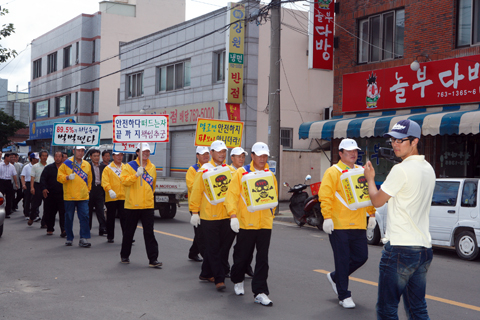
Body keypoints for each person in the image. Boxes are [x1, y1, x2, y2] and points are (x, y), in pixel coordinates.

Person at [364, 119, 435, 319]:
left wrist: (370, 178)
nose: (395, 144)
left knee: (387, 309)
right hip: (423, 248)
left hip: (400, 249)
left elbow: (377, 201)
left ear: (414, 141)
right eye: (392, 140)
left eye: (400, 140)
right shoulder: (428, 168)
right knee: (417, 308)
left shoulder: (400, 170)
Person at [318, 138, 375, 309]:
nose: (353, 154)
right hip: (339, 224)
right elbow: (325, 196)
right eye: (349, 151)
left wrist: (371, 214)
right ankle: (344, 295)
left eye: (355, 151)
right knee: (342, 260)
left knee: (361, 257)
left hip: (358, 223)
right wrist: (327, 217)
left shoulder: (362, 170)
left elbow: (367, 193)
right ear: (340, 153)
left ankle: (336, 276)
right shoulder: (333, 172)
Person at [225, 142, 278, 306]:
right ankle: (237, 279)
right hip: (246, 223)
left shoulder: (270, 174)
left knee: (263, 259)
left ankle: (260, 292)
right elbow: (231, 196)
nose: (262, 159)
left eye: (265, 156)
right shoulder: (241, 173)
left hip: (265, 224)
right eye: (259, 155)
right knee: (243, 255)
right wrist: (233, 215)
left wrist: (271, 214)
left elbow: (273, 197)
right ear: (253, 156)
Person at [189, 140, 236, 291]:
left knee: (223, 247)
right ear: (211, 153)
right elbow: (196, 192)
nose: (222, 154)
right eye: (218, 151)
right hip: (209, 216)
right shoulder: (203, 171)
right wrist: (195, 212)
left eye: (224, 152)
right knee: (214, 247)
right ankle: (219, 279)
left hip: (226, 215)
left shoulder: (230, 170)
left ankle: (206, 272)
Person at [120, 143, 161, 268]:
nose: (146, 154)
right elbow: (124, 181)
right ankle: (125, 255)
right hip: (132, 204)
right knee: (129, 232)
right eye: (143, 151)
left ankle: (153, 259)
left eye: (148, 152)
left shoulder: (152, 167)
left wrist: (148, 197)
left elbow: (153, 185)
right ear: (137, 152)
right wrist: (136, 175)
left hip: (147, 205)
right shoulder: (129, 166)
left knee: (149, 233)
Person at [57, 146, 93, 247]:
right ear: (74, 151)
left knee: (85, 217)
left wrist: (88, 189)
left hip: (83, 196)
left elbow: (90, 179)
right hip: (70, 195)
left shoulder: (87, 164)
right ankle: (69, 237)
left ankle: (83, 238)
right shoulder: (66, 164)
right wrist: (67, 177)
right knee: (69, 217)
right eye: (78, 151)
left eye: (82, 151)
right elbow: (59, 177)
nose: (80, 153)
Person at [229, 146, 254, 278]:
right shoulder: (228, 171)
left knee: (246, 245)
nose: (241, 159)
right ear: (232, 158)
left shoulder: (247, 171)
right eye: (238, 156)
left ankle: (246, 267)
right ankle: (229, 268)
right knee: (230, 244)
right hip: (231, 214)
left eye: (243, 156)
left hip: (245, 215)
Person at [185, 146, 210, 262]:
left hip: (208, 205)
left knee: (202, 231)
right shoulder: (193, 169)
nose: (205, 156)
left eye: (207, 154)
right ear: (197, 156)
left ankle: (193, 252)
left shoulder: (212, 168)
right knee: (201, 233)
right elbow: (191, 186)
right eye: (202, 154)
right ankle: (207, 257)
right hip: (196, 205)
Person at [102, 151, 126, 243]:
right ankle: (110, 236)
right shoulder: (108, 168)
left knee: (124, 218)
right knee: (111, 217)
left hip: (123, 196)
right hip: (111, 196)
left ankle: (127, 237)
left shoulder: (126, 167)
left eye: (121, 155)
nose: (119, 157)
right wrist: (109, 190)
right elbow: (104, 181)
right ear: (113, 156)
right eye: (117, 155)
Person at [41, 151, 66, 237]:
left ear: (62, 158)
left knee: (63, 213)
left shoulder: (66, 168)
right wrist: (44, 188)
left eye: (60, 156)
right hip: (50, 193)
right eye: (56, 156)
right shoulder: (48, 168)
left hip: (63, 194)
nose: (58, 158)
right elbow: (43, 179)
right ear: (54, 158)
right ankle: (50, 228)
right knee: (50, 212)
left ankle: (63, 230)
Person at [88, 149, 107, 235]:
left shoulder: (103, 167)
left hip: (99, 190)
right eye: (94, 156)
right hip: (90, 190)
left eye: (97, 156)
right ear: (91, 156)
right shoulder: (87, 166)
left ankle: (102, 228)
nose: (96, 158)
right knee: (89, 211)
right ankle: (87, 228)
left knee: (100, 210)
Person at [28, 150, 48, 227]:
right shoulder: (35, 166)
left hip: (46, 186)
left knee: (47, 205)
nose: (44, 157)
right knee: (35, 205)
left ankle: (44, 222)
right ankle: (32, 217)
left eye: (46, 156)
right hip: (37, 186)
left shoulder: (49, 166)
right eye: (43, 155)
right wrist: (32, 187)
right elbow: (32, 177)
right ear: (40, 157)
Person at [0, 153, 19, 218]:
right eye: (10, 157)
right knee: (1, 197)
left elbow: (14, 175)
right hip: (1, 182)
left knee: (9, 198)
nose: (11, 159)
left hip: (8, 182)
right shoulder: (0, 165)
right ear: (6, 157)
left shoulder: (11, 166)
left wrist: (16, 184)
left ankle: (7, 212)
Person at [21, 153, 38, 221]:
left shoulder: (38, 166)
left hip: (36, 184)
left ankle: (36, 214)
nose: (37, 160)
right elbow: (22, 176)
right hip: (28, 183)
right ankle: (27, 214)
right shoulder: (26, 167)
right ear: (32, 159)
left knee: (36, 199)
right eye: (36, 159)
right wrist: (23, 184)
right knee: (27, 199)